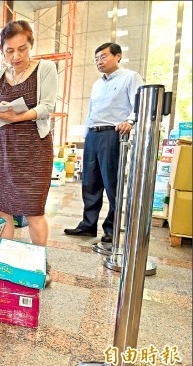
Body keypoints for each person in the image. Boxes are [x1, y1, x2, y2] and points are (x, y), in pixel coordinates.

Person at [0, 20, 58, 286]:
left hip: (34, 147)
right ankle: (8, 259)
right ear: (2, 51)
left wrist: (17, 116)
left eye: (22, 49)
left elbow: (47, 107)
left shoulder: (46, 69)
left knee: (33, 209)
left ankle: (40, 262)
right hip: (5, 146)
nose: (16, 56)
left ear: (31, 45)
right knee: (3, 208)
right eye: (10, 51)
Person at [64, 43, 142, 244]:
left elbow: (139, 105)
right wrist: (86, 133)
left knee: (112, 183)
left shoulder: (130, 77)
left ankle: (111, 228)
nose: (99, 61)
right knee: (89, 182)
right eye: (96, 58)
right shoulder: (97, 84)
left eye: (104, 57)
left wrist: (130, 121)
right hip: (93, 134)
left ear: (118, 56)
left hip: (113, 133)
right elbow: (91, 110)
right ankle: (88, 225)